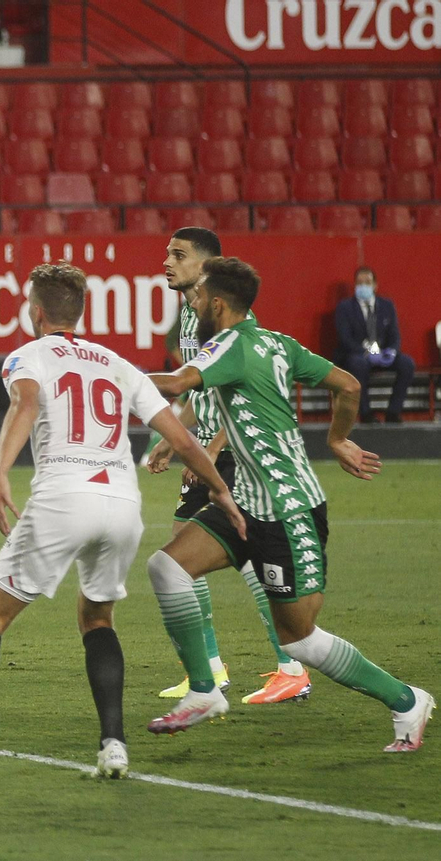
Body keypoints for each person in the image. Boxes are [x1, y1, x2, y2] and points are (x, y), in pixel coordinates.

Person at [0, 264, 246, 782]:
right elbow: (180, 437)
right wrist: (219, 489)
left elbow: (25, 403)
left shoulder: (28, 355)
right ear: (80, 311)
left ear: (37, 312)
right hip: (122, 504)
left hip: (64, 497)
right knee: (97, 619)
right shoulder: (117, 362)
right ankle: (114, 746)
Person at [142, 256, 432, 752]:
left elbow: (171, 385)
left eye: (198, 296)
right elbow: (348, 384)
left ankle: (406, 699)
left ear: (217, 302)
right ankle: (206, 691)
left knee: (300, 639)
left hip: (289, 508)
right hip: (248, 502)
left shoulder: (229, 345)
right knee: (167, 568)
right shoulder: (277, 343)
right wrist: (338, 439)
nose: (191, 302)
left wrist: (98, 369)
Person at [144, 227, 310, 706]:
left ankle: (292, 666)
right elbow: (204, 390)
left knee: (252, 556)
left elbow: (246, 392)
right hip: (212, 451)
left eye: (179, 254)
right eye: (167, 253)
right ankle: (211, 668)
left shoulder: (229, 317)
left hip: (241, 454)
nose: (168, 262)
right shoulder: (191, 314)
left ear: (208, 264)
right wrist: (175, 438)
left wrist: (212, 449)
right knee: (181, 551)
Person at [334, 265, 415, 424]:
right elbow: (345, 339)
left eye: (367, 282)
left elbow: (394, 335)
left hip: (382, 354)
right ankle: (366, 414)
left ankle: (393, 412)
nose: (363, 286)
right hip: (357, 354)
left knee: (407, 364)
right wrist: (365, 353)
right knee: (358, 364)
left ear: (375, 285)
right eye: (359, 283)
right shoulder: (345, 308)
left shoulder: (387, 306)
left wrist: (391, 351)